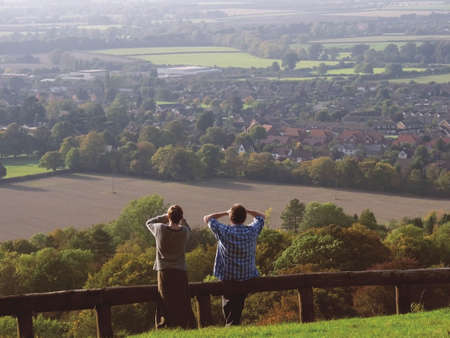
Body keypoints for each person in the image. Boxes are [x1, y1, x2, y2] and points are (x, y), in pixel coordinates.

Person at [203, 204, 265, 326]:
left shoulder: (224, 231)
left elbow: (207, 218)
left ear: (231, 218)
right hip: (247, 277)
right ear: (244, 218)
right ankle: (232, 325)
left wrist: (225, 212)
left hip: (228, 277)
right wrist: (247, 210)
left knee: (229, 304)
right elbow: (262, 216)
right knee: (237, 304)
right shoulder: (252, 231)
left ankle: (231, 326)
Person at [146, 205, 197, 329]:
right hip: (180, 270)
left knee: (165, 298)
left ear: (169, 216)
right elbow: (189, 229)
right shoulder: (184, 232)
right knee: (182, 298)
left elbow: (148, 222)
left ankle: (166, 324)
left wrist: (164, 217)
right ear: (180, 217)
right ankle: (185, 324)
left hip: (164, 270)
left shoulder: (160, 229)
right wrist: (182, 221)